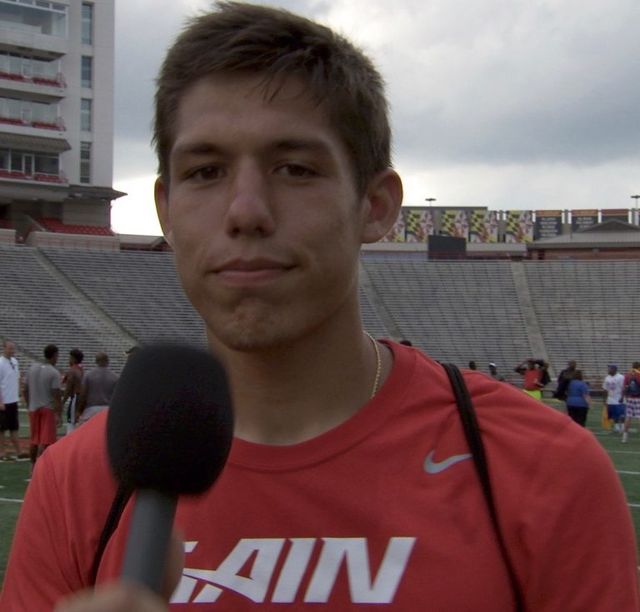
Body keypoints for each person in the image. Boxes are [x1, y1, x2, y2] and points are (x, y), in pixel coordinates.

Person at [2, 4, 638, 611]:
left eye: (295, 169)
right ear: (166, 210)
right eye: (205, 172)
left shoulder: (541, 467)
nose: (246, 211)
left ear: (376, 206)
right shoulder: (77, 481)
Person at [23, 343, 61, 469]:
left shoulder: (32, 368)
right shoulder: (54, 372)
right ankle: (44, 467)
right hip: (47, 408)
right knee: (47, 440)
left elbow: (25, 389)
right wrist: (58, 413)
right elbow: (56, 395)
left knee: (34, 440)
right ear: (54, 355)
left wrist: (29, 403)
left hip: (33, 407)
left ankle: (32, 465)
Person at [76, 352, 118, 425]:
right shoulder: (115, 377)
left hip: (91, 410)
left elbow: (83, 395)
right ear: (108, 361)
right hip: (107, 410)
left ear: (96, 361)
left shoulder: (88, 375)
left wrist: (79, 410)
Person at [0, 339, 22, 461]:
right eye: (10, 348)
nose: (12, 350)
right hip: (4, 401)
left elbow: (17, 378)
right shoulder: (0, 363)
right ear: (4, 348)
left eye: (13, 348)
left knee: (14, 427)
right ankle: (2, 452)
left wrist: (19, 393)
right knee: (2, 429)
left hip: (13, 400)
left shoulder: (15, 361)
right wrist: (0, 401)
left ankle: (18, 451)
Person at [61, 348, 84, 433]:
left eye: (70, 358)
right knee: (78, 422)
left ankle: (70, 439)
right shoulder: (81, 369)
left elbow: (68, 388)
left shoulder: (72, 371)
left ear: (73, 359)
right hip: (81, 398)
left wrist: (63, 402)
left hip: (75, 398)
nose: (68, 360)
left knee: (71, 422)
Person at [602, 364, 625, 433]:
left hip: (619, 398)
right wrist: (604, 399)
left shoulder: (621, 377)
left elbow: (623, 388)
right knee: (613, 414)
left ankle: (623, 426)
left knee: (621, 413)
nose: (608, 370)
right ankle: (616, 427)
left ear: (614, 369)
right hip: (610, 399)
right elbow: (605, 389)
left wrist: (622, 397)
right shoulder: (607, 378)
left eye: (610, 369)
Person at [621, 361, 640, 444]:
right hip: (638, 398)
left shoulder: (627, 375)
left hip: (629, 398)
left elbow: (624, 387)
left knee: (628, 418)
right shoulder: (639, 374)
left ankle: (624, 437)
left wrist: (622, 397)